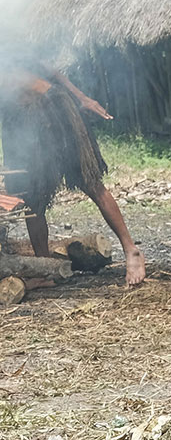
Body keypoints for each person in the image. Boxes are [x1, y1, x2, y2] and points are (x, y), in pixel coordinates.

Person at [0, 67, 145, 286]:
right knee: (31, 197)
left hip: (52, 109)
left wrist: (82, 98)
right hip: (18, 120)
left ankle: (131, 250)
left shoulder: (15, 46)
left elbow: (50, 69)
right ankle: (43, 270)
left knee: (91, 184)